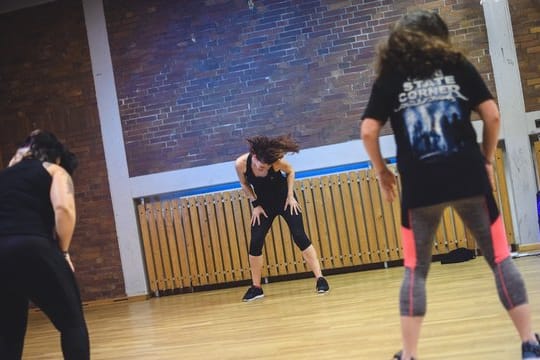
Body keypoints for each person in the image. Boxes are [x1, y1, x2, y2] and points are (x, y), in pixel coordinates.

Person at [360, 10, 540, 360]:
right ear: (440, 37)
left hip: (419, 185)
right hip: (468, 175)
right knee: (500, 258)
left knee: (415, 269)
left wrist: (382, 171)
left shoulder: (391, 76)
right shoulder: (457, 65)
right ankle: (530, 344)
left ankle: (409, 355)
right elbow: (493, 115)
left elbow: (368, 130)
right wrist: (487, 160)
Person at [0, 130, 90, 359]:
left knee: (8, 334)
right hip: (33, 246)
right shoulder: (54, 170)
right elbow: (64, 210)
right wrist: (63, 252)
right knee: (72, 324)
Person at [234, 134, 329, 301]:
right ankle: (256, 288)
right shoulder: (241, 164)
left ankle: (320, 279)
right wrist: (255, 204)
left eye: (266, 167)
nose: (263, 168)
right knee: (255, 241)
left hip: (284, 200)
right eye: (261, 166)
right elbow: (244, 183)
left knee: (299, 236)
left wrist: (290, 196)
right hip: (264, 205)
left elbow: (291, 171)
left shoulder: (276, 163)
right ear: (254, 157)